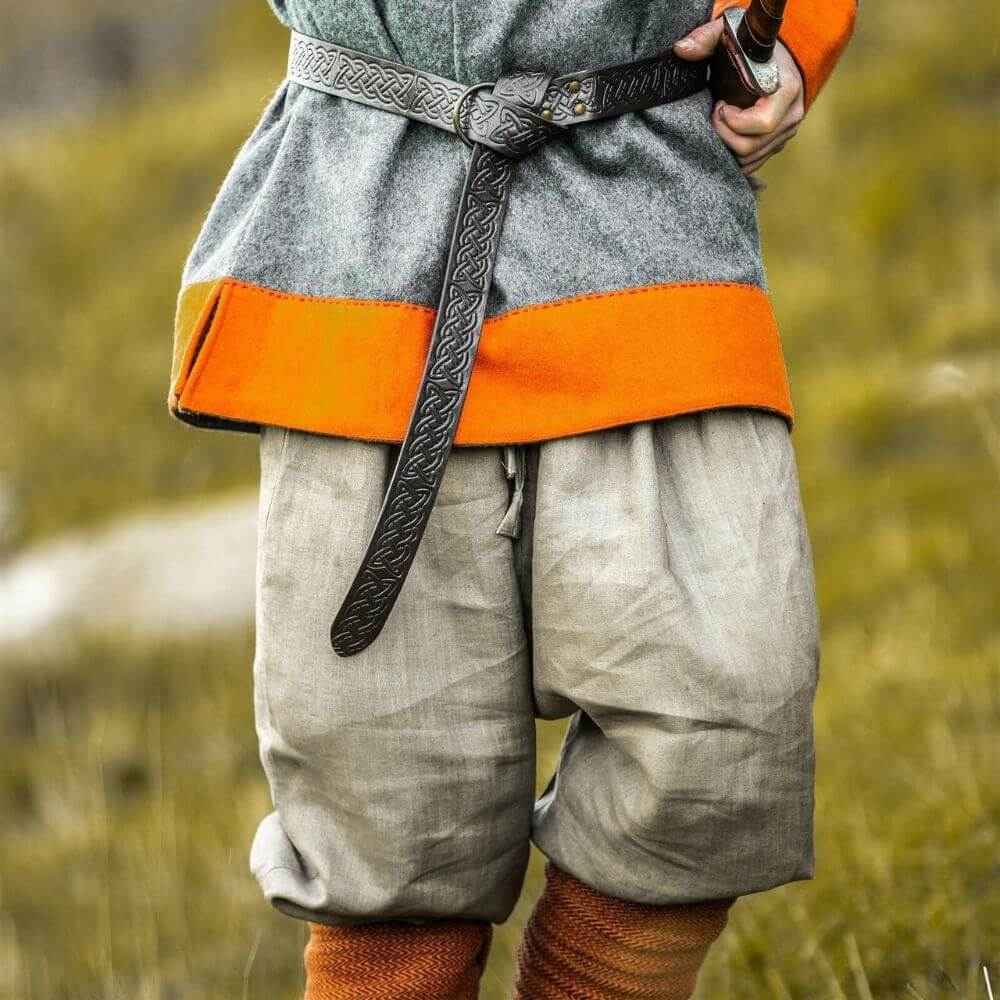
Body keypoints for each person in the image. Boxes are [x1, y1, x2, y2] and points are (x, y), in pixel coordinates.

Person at [167, 1, 857, 996]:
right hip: (361, 225)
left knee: (720, 734)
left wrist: (787, 28)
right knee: (389, 802)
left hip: (650, 202)